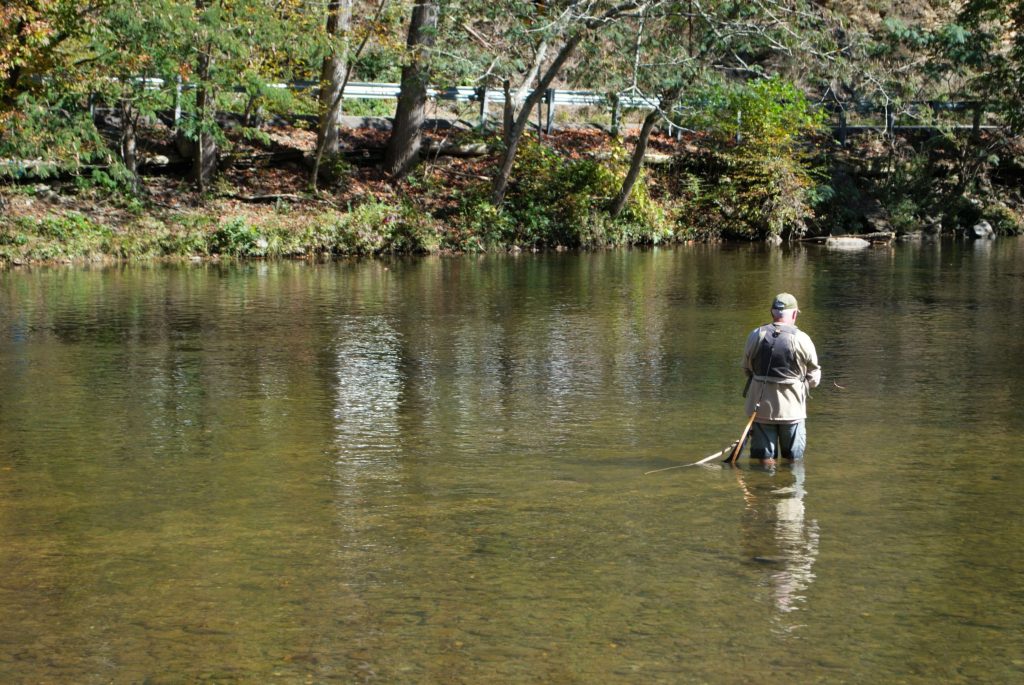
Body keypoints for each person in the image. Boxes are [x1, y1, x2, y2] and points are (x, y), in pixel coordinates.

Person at [740, 293, 821, 463]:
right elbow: (814, 377)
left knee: (764, 462)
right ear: (794, 314)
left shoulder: (755, 335)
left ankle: (763, 486)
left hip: (760, 410)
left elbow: (746, 369)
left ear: (772, 312)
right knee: (793, 462)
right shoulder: (802, 339)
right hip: (792, 411)